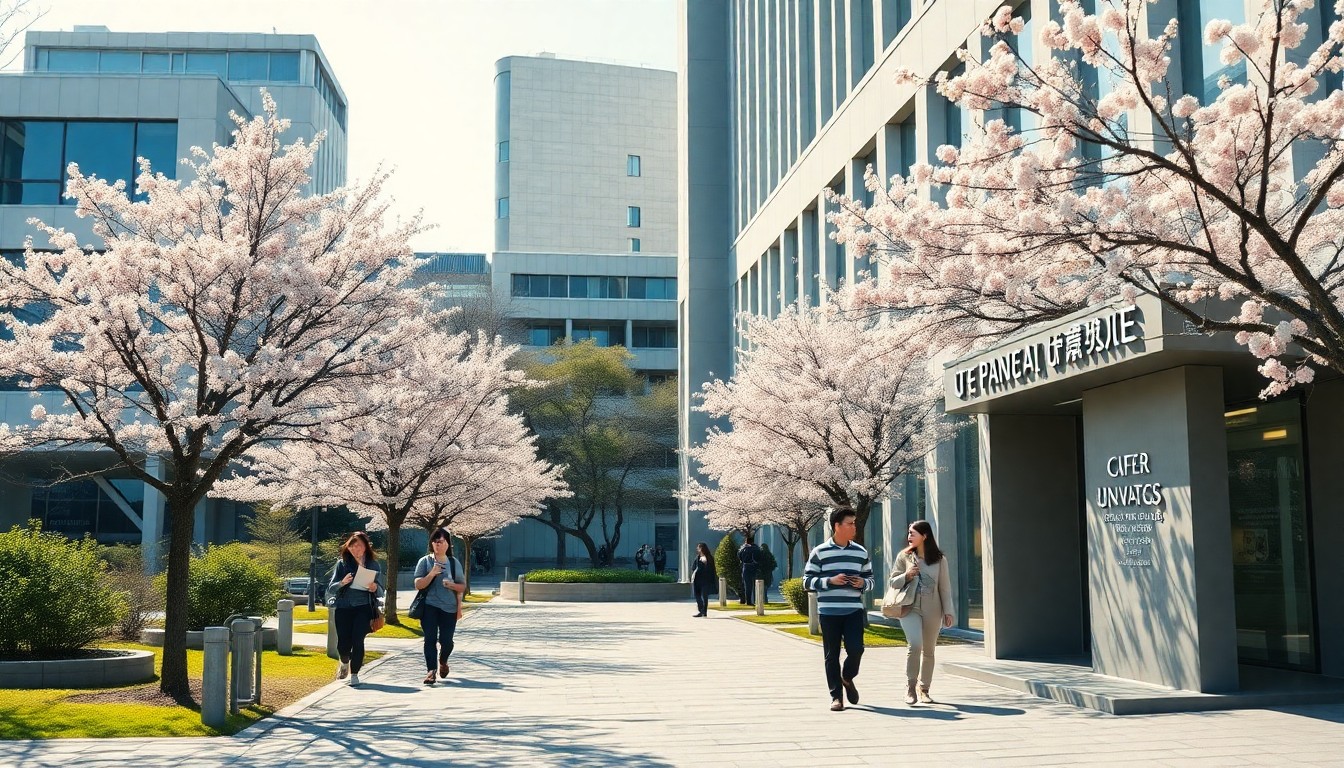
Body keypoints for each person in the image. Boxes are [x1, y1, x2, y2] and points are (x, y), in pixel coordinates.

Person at [803, 507, 875, 712]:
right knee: (831, 655)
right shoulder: (820, 552)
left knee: (856, 649)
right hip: (828, 612)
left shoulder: (860, 552)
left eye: (854, 523)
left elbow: (871, 580)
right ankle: (836, 697)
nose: (854, 527)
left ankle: (847, 677)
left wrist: (862, 583)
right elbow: (806, 581)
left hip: (853, 610)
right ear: (837, 526)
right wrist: (830, 581)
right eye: (850, 523)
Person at [891, 519, 955, 705]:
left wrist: (948, 611)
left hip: (933, 610)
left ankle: (924, 689)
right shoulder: (904, 557)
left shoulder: (940, 560)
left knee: (929, 650)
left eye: (913, 533)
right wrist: (907, 575)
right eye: (909, 533)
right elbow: (893, 582)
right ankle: (910, 687)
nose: (909, 536)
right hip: (909, 608)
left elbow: (944, 588)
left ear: (924, 536)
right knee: (915, 645)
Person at [327, 531, 386, 687]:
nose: (355, 549)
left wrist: (375, 587)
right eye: (352, 546)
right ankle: (344, 661)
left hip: (363, 608)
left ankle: (354, 674)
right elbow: (331, 588)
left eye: (358, 545)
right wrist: (342, 582)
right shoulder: (342, 564)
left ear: (365, 547)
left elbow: (381, 590)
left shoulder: (373, 565)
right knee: (343, 644)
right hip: (343, 607)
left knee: (358, 640)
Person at [414, 527, 467, 686]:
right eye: (435, 541)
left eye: (441, 541)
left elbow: (462, 587)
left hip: (449, 607)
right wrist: (431, 574)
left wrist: (452, 586)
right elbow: (418, 585)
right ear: (432, 543)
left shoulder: (453, 563)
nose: (438, 544)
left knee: (447, 641)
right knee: (429, 639)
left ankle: (443, 661)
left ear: (448, 544)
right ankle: (431, 671)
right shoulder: (425, 561)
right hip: (429, 606)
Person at [689, 541, 717, 617]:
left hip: (705, 580)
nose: (697, 549)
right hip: (698, 579)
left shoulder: (709, 558)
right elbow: (693, 567)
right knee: (697, 595)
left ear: (701, 548)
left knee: (704, 596)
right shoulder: (698, 557)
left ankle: (703, 611)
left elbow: (711, 569)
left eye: (698, 547)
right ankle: (702, 610)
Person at [738, 533, 760, 605]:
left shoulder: (743, 549)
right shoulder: (756, 548)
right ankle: (756, 600)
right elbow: (759, 557)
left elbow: (739, 556)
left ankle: (748, 601)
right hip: (754, 567)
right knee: (757, 584)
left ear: (746, 541)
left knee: (747, 585)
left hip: (745, 567)